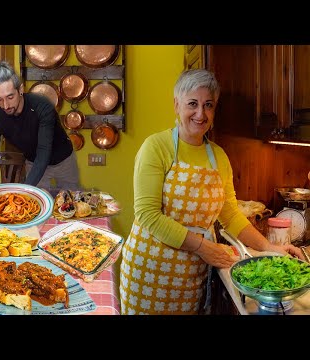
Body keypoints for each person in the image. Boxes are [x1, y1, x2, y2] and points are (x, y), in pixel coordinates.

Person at [119, 68, 304, 315]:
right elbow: (147, 215)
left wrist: (270, 248)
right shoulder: (156, 147)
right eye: (192, 104)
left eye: (208, 105)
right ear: (176, 105)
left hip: (192, 273)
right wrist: (203, 248)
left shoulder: (218, 157)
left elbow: (230, 214)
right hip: (150, 269)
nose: (200, 113)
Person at [0, 61, 81, 193]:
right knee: (36, 206)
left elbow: (43, 152)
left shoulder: (43, 107)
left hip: (63, 161)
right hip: (33, 163)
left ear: (21, 90)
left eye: (10, 97)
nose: (5, 105)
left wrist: (24, 189)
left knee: (71, 201)